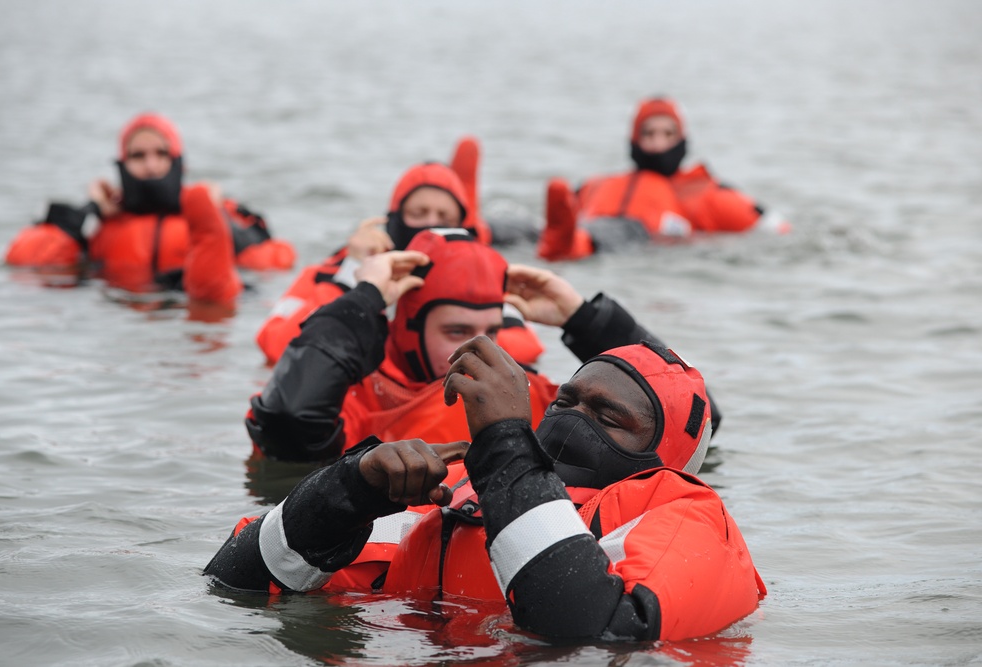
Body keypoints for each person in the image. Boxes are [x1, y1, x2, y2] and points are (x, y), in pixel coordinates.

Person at [205, 334, 762, 642]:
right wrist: (348, 490)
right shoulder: (453, 489)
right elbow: (233, 582)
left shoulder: (691, 516)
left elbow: (593, 630)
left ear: (663, 455)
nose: (572, 417)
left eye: (607, 416)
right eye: (566, 401)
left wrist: (504, 443)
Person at [245, 227, 703, 465]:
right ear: (407, 328)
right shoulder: (354, 401)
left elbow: (693, 423)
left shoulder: (535, 396)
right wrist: (362, 301)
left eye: (492, 330)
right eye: (457, 332)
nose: (481, 349)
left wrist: (586, 320)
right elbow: (287, 424)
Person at [255, 154, 541, 367]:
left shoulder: (481, 280)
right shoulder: (330, 272)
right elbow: (276, 345)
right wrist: (355, 279)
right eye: (419, 214)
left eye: (444, 218)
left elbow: (527, 348)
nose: (431, 225)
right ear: (393, 220)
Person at [4, 112, 296, 306]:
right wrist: (88, 210)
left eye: (161, 154)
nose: (151, 165)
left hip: (196, 316)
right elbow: (24, 260)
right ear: (122, 164)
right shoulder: (104, 223)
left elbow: (279, 260)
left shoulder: (209, 209)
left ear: (179, 163)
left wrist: (216, 216)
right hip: (122, 315)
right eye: (138, 156)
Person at [537, 96, 791, 261]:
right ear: (635, 139)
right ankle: (498, 231)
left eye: (667, 134)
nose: (658, 144)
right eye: (649, 134)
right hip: (580, 229)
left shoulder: (703, 191)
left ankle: (567, 242)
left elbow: (774, 229)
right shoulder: (600, 182)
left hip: (634, 238)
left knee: (616, 231)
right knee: (528, 229)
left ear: (681, 139)